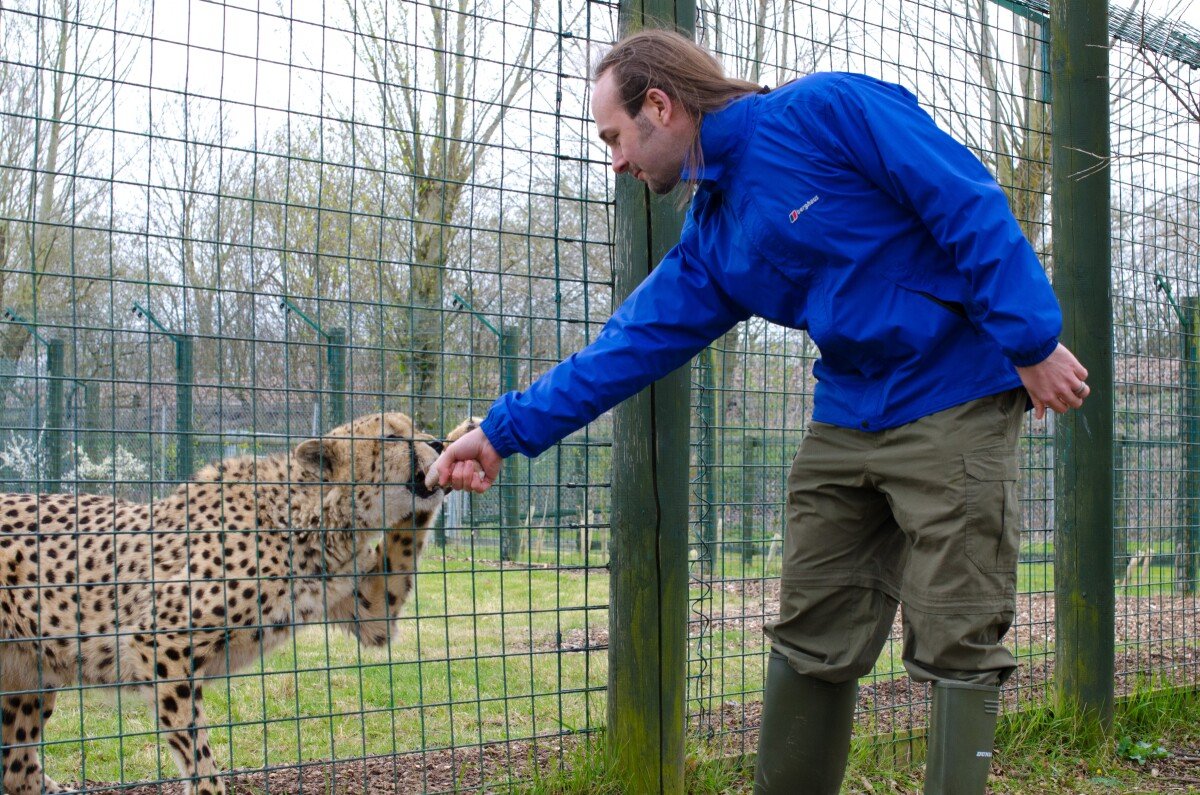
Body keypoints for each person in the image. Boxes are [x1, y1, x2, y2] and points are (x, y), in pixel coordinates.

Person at [429, 29, 1089, 795]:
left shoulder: (827, 111)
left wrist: (1030, 337)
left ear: (660, 106)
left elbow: (962, 197)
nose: (616, 161)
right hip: (848, 412)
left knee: (957, 632)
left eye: (614, 137)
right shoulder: (714, 237)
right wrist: (502, 432)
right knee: (812, 629)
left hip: (954, 391)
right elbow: (627, 346)